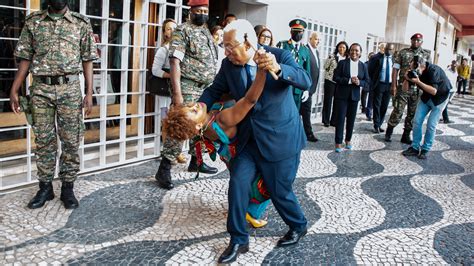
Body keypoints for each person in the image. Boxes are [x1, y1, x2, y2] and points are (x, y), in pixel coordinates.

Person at [199, 19, 310, 263]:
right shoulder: (229, 66)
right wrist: (201, 104)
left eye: (230, 46)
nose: (226, 52)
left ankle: (298, 225)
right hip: (250, 140)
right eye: (224, 47)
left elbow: (305, 80)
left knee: (279, 190)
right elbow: (214, 90)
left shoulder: (279, 54)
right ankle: (238, 239)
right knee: (238, 184)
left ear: (249, 41)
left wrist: (279, 69)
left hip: (282, 138)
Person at [163, 50, 271, 229]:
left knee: (241, 181)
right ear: (197, 127)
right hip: (243, 150)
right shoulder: (222, 120)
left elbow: (217, 94)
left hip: (230, 154)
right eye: (194, 111)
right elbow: (249, 100)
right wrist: (261, 73)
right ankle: (251, 213)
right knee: (262, 182)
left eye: (190, 106)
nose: (195, 105)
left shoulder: (204, 123)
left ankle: (241, 208)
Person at [9, 0, 98, 209]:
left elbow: (88, 59)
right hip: (41, 90)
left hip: (70, 89)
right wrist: (15, 88)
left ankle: (68, 187)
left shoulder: (81, 23)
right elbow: (25, 58)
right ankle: (45, 187)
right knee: (44, 140)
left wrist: (89, 92)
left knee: (71, 139)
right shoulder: (33, 22)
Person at [154, 0, 219, 190]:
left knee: (200, 126)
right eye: (198, 10)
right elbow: (174, 63)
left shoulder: (206, 30)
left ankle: (196, 161)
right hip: (188, 86)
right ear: (191, 12)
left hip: (205, 88)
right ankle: (164, 169)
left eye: (205, 10)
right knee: (181, 127)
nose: (202, 13)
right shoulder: (182, 31)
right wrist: (178, 94)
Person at [151, 19, 186, 165]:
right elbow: (155, 70)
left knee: (179, 121)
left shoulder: (181, 49)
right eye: (168, 29)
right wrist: (172, 75)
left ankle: (177, 152)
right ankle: (167, 154)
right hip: (165, 93)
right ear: (164, 32)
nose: (171, 31)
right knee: (166, 122)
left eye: (174, 28)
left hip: (178, 91)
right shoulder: (163, 49)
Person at [385, 33, 431, 143]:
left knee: (412, 114)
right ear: (411, 41)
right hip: (403, 87)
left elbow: (428, 71)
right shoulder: (403, 52)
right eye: (414, 40)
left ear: (421, 42)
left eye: (418, 40)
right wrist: (393, 85)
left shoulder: (426, 55)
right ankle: (389, 131)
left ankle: (406, 135)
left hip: (418, 89)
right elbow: (395, 69)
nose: (416, 42)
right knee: (398, 111)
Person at [401, 56, 451, 159]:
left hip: (440, 99)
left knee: (431, 124)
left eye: (414, 67)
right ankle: (415, 147)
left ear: (421, 65)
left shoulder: (433, 70)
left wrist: (418, 82)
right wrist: (406, 79)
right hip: (426, 98)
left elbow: (434, 91)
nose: (413, 70)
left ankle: (425, 149)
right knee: (417, 121)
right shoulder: (415, 73)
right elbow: (405, 90)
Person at [276, 19, 313, 135]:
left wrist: (306, 89)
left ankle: (290, 135)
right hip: (284, 85)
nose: (298, 34)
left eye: (300, 32)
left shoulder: (305, 50)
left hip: (297, 89)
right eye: (295, 31)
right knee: (281, 111)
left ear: (303, 33)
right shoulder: (282, 45)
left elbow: (307, 70)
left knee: (295, 113)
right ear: (291, 32)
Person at [333, 43, 370, 152]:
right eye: (352, 50)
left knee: (351, 120)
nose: (354, 52)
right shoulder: (342, 63)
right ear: (349, 52)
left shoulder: (363, 66)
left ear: (360, 53)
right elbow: (335, 77)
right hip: (342, 95)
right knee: (340, 120)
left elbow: (367, 82)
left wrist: (359, 82)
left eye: (357, 51)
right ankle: (338, 142)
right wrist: (348, 80)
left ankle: (348, 140)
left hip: (354, 97)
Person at [368, 43, 395, 133]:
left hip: (389, 85)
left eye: (390, 49)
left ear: (393, 50)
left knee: (385, 105)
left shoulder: (394, 60)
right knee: (377, 105)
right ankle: (376, 125)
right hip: (379, 84)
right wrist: (372, 82)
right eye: (387, 49)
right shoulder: (377, 58)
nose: (388, 51)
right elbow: (370, 71)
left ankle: (380, 123)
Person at [322, 41, 349, 127]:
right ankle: (326, 120)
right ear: (337, 48)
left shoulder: (347, 58)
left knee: (337, 102)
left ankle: (334, 121)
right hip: (330, 81)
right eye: (340, 47)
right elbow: (325, 67)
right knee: (328, 101)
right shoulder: (332, 56)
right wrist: (330, 59)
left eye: (344, 47)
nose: (342, 49)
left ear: (346, 49)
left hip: (340, 83)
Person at [301, 31, 321, 142]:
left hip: (311, 88)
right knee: (306, 111)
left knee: (304, 111)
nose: (318, 41)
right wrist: (306, 88)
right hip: (305, 88)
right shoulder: (305, 50)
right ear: (310, 39)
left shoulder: (316, 52)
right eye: (316, 39)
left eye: (319, 40)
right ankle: (309, 133)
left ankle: (303, 131)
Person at [363, 51, 376, 121]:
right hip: (368, 82)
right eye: (371, 56)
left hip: (374, 83)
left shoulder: (376, 64)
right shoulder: (366, 64)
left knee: (372, 99)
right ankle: (367, 112)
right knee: (366, 97)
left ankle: (370, 114)